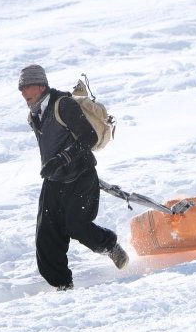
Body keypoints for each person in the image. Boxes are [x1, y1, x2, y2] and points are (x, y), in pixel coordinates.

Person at [19, 64, 128, 291]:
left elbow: (88, 137)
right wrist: (53, 166)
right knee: (46, 238)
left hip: (81, 176)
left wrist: (63, 158)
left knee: (76, 226)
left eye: (27, 87)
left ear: (40, 86)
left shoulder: (63, 105)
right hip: (54, 182)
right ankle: (63, 287)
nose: (23, 93)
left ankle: (111, 246)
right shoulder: (35, 115)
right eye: (21, 89)